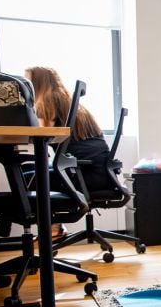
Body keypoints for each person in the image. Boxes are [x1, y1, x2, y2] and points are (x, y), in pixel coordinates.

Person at [25, 66, 110, 240]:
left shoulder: (48, 101)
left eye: (28, 82)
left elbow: (42, 134)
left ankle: (53, 229)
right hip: (96, 172)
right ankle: (55, 226)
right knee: (29, 171)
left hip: (83, 174)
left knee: (29, 177)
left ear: (37, 83)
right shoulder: (69, 101)